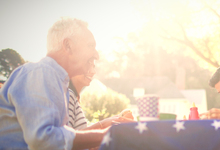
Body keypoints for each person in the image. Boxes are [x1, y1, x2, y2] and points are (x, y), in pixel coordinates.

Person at [0, 17, 126, 149]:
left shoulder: (57, 82)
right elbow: (43, 139)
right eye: (90, 46)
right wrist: (111, 135)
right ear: (68, 46)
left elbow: (62, 140)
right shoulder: (41, 72)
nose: (96, 55)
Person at [67, 58, 133, 130]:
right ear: (73, 66)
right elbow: (69, 137)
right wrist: (103, 124)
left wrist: (116, 119)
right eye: (87, 66)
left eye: (93, 67)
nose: (93, 71)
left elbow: (81, 131)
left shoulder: (74, 97)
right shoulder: (68, 96)